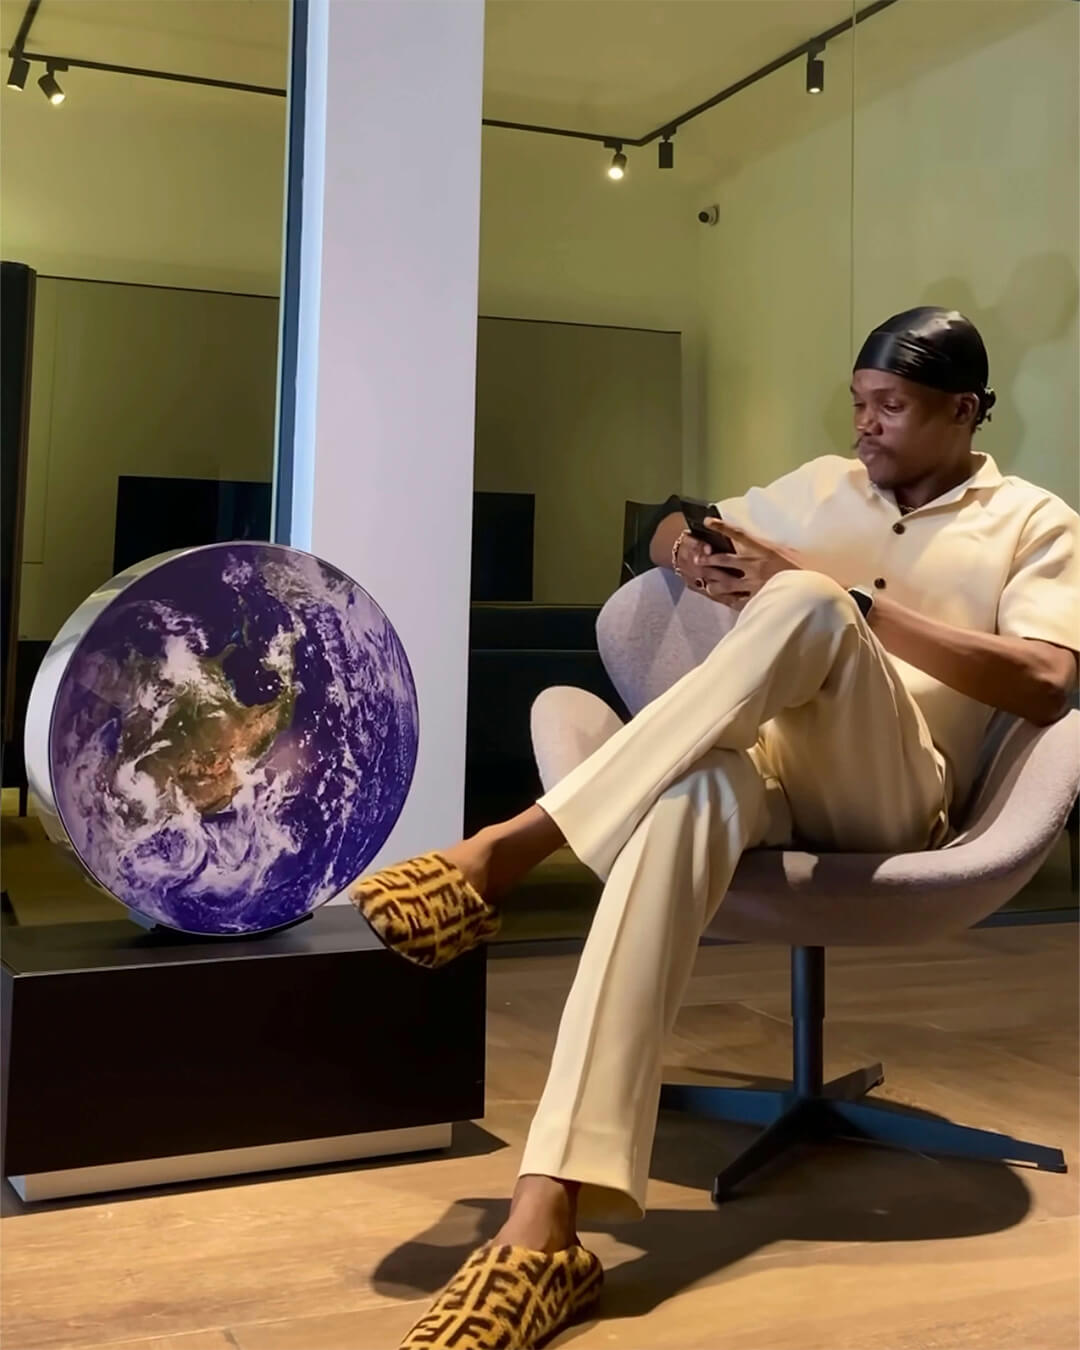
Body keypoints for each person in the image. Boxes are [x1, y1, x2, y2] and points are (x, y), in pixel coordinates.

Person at [351, 307, 1079, 1350]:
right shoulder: (822, 484)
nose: (865, 425)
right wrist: (695, 554)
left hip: (895, 800)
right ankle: (541, 1228)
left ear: (962, 411)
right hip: (766, 775)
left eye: (891, 406)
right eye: (858, 402)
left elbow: (1049, 682)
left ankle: (514, 846)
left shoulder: (1033, 520)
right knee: (688, 799)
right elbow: (660, 528)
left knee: (816, 602)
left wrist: (857, 605)